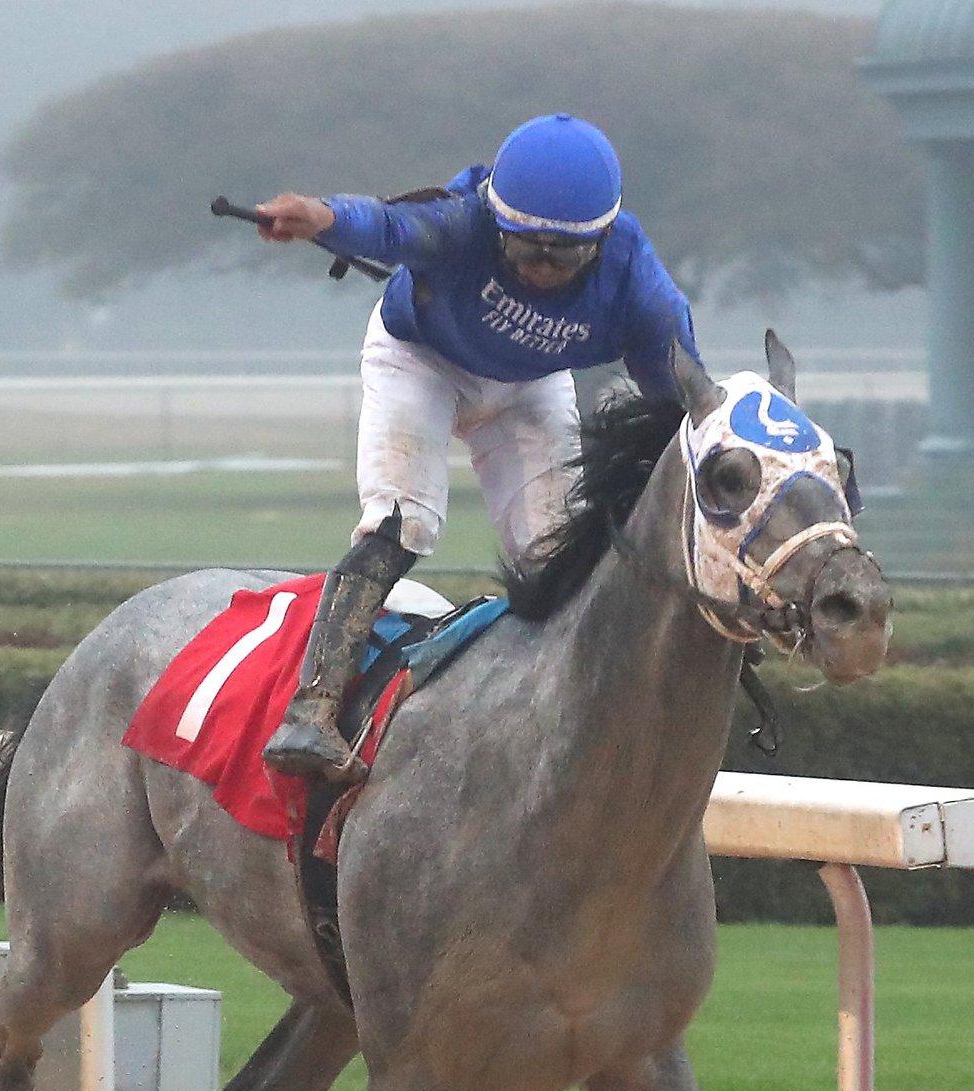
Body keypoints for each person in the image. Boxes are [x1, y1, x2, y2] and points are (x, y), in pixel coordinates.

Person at [249, 112, 703, 784]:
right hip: (420, 360)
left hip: (529, 386)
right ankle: (311, 709)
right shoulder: (463, 223)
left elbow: (687, 407)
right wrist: (318, 216)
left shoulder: (643, 292)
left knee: (559, 559)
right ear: (498, 223)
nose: (543, 269)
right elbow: (387, 225)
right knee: (401, 522)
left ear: (602, 242)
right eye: (526, 250)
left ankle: (577, 718)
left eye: (563, 255)